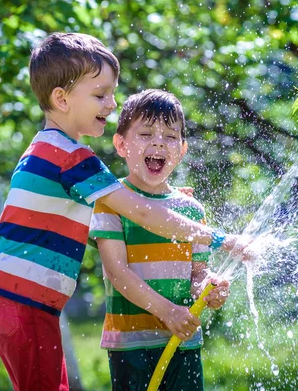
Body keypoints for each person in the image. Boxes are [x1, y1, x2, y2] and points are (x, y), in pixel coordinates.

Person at [0, 33, 245, 391]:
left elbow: (146, 209)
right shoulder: (71, 157)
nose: (111, 103)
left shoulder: (48, 148)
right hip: (23, 301)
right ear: (61, 99)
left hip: (18, 298)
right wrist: (221, 239)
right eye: (100, 94)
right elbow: (143, 214)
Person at [89, 89, 230, 391]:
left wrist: (209, 288)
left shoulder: (191, 211)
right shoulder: (110, 203)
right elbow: (117, 272)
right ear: (121, 144)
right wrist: (168, 312)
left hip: (183, 341)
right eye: (145, 133)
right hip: (132, 345)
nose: (158, 142)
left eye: (170, 136)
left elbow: (198, 274)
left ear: (182, 149)